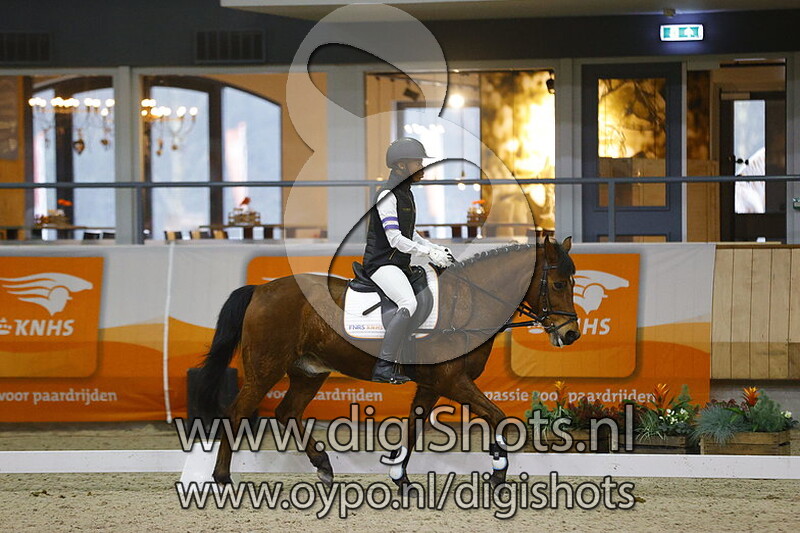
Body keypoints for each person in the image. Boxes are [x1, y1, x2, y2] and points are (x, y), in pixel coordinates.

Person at [363, 137, 455, 384]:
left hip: (398, 263)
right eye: (418, 163)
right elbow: (394, 238)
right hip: (381, 263)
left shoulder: (406, 194)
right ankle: (384, 366)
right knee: (408, 302)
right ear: (401, 165)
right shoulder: (387, 195)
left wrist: (434, 247)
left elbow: (410, 233)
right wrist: (427, 254)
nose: (422, 168)